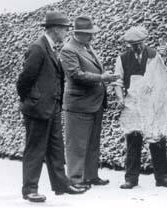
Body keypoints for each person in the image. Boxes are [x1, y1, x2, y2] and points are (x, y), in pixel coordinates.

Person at [16, 11, 87, 203]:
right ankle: (30, 189)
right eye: (64, 29)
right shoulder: (38, 48)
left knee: (56, 148)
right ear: (55, 29)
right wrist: (32, 100)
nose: (66, 33)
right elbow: (24, 79)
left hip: (53, 107)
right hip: (38, 108)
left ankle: (61, 185)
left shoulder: (50, 47)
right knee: (35, 149)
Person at [113, 26, 167, 189]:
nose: (138, 47)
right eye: (134, 45)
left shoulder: (155, 56)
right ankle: (131, 179)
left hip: (152, 104)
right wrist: (120, 98)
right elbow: (118, 81)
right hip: (132, 104)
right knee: (133, 141)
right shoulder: (122, 58)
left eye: (140, 43)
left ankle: (162, 177)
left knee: (157, 140)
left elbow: (163, 79)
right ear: (129, 44)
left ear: (144, 41)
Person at [60, 16, 119, 189]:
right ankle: (75, 179)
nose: (92, 36)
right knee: (76, 144)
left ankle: (91, 176)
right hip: (79, 105)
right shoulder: (68, 50)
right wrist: (102, 77)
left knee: (93, 143)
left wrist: (103, 76)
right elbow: (75, 75)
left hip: (94, 103)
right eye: (88, 34)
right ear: (77, 33)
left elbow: (90, 70)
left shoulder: (87, 47)